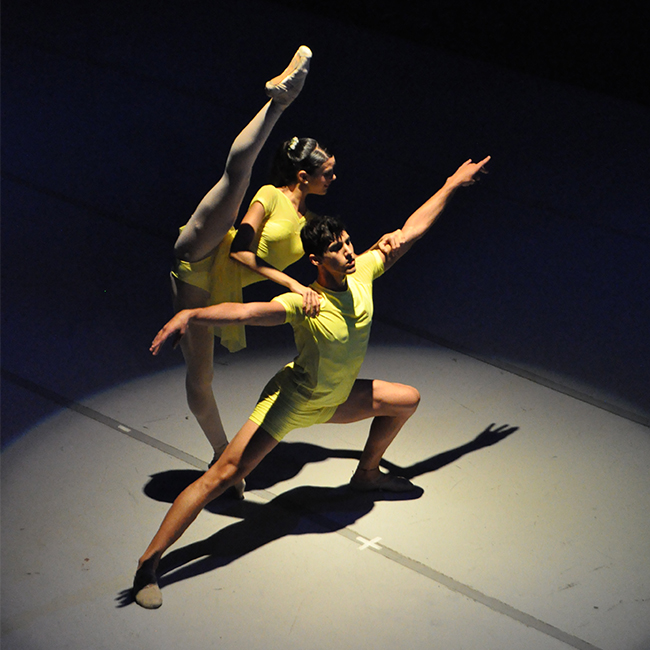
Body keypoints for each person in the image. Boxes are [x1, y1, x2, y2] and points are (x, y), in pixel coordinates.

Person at [133, 155, 490, 608]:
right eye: (339, 249)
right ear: (318, 261)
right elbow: (245, 312)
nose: (348, 252)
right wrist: (190, 313)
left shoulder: (363, 273)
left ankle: (366, 475)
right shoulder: (306, 303)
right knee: (222, 475)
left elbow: (412, 228)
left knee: (406, 400)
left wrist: (452, 181)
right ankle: (149, 564)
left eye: (348, 243)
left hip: (337, 400)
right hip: (294, 402)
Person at [170, 46, 337, 487]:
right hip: (201, 254)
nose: (333, 179)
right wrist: (290, 283)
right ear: (304, 176)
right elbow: (241, 252)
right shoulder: (271, 194)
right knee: (236, 180)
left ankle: (220, 455)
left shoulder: (309, 223)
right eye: (328, 172)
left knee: (201, 375)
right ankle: (278, 101)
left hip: (210, 290)